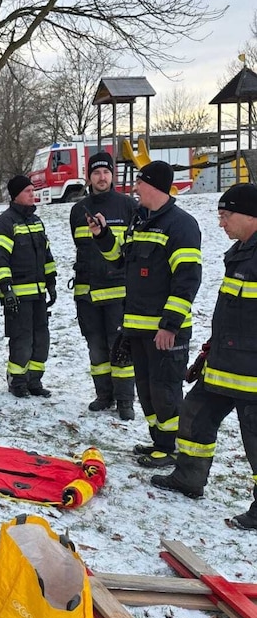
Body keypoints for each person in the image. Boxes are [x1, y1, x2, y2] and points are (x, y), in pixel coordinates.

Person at [151, 183, 257, 529]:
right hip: (224, 363)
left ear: (249, 215)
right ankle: (188, 479)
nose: (221, 223)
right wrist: (212, 347)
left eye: (226, 216)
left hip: (252, 373)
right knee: (195, 415)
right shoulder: (241, 251)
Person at [90, 160, 202, 467]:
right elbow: (120, 262)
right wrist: (102, 237)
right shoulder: (141, 222)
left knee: (166, 390)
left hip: (164, 331)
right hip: (137, 328)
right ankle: (158, 441)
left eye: (140, 183)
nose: (135, 189)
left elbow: (187, 279)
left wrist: (170, 326)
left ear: (154, 186)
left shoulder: (181, 225)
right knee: (148, 390)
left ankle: (170, 448)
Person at [69, 152, 136, 419]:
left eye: (106, 172)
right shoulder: (77, 211)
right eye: (96, 173)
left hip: (118, 293)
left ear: (113, 175)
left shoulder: (128, 206)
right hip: (86, 294)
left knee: (120, 348)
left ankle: (125, 401)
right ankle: (104, 395)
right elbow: (81, 251)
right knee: (96, 348)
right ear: (89, 177)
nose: (102, 177)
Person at [0, 175, 57, 397]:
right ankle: (17, 381)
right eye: (28, 191)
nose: (32, 194)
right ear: (16, 195)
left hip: (38, 293)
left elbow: (46, 254)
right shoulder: (5, 223)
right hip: (17, 295)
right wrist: (6, 289)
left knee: (41, 339)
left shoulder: (36, 221)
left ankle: (34, 381)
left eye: (32, 190)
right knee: (22, 340)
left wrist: (52, 282)